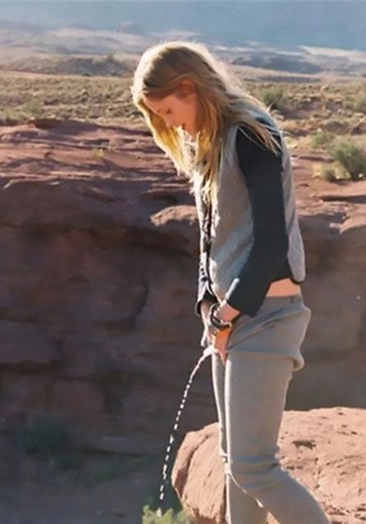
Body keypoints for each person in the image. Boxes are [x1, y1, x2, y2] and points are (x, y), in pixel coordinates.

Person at [131, 41, 330, 524]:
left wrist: (228, 311)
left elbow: (270, 246)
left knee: (254, 468)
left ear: (189, 87)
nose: (172, 123)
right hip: (233, 319)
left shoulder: (252, 135)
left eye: (170, 110)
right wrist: (208, 306)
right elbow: (209, 239)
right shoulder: (210, 144)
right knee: (234, 465)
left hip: (266, 317)